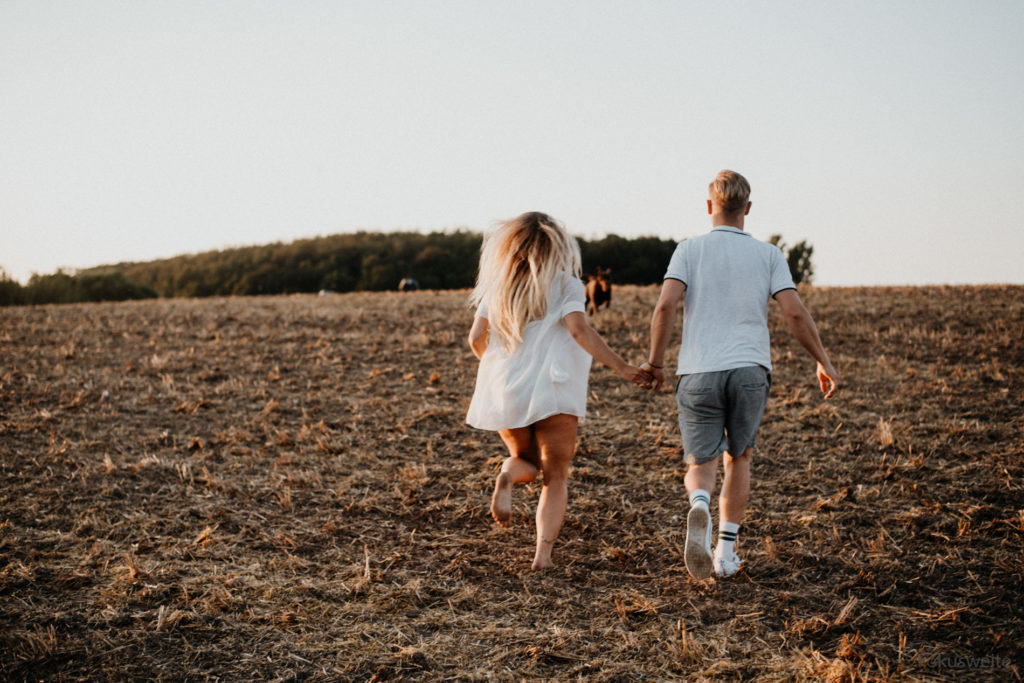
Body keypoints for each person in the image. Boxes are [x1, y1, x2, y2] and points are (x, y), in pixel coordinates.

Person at [642, 170, 839, 580]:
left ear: (709, 206)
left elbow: (665, 307)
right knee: (739, 457)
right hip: (750, 368)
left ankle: (699, 505)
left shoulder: (688, 251)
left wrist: (656, 363)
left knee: (702, 460)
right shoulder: (768, 255)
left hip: (698, 371)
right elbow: (794, 313)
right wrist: (823, 360)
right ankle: (725, 555)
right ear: (747, 208)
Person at [466, 212, 652, 570]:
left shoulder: (498, 288)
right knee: (555, 476)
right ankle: (543, 556)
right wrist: (623, 368)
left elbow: (476, 339)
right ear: (557, 246)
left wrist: (498, 371)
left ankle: (506, 476)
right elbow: (581, 332)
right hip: (554, 389)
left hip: (510, 390)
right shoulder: (567, 284)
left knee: (526, 462)